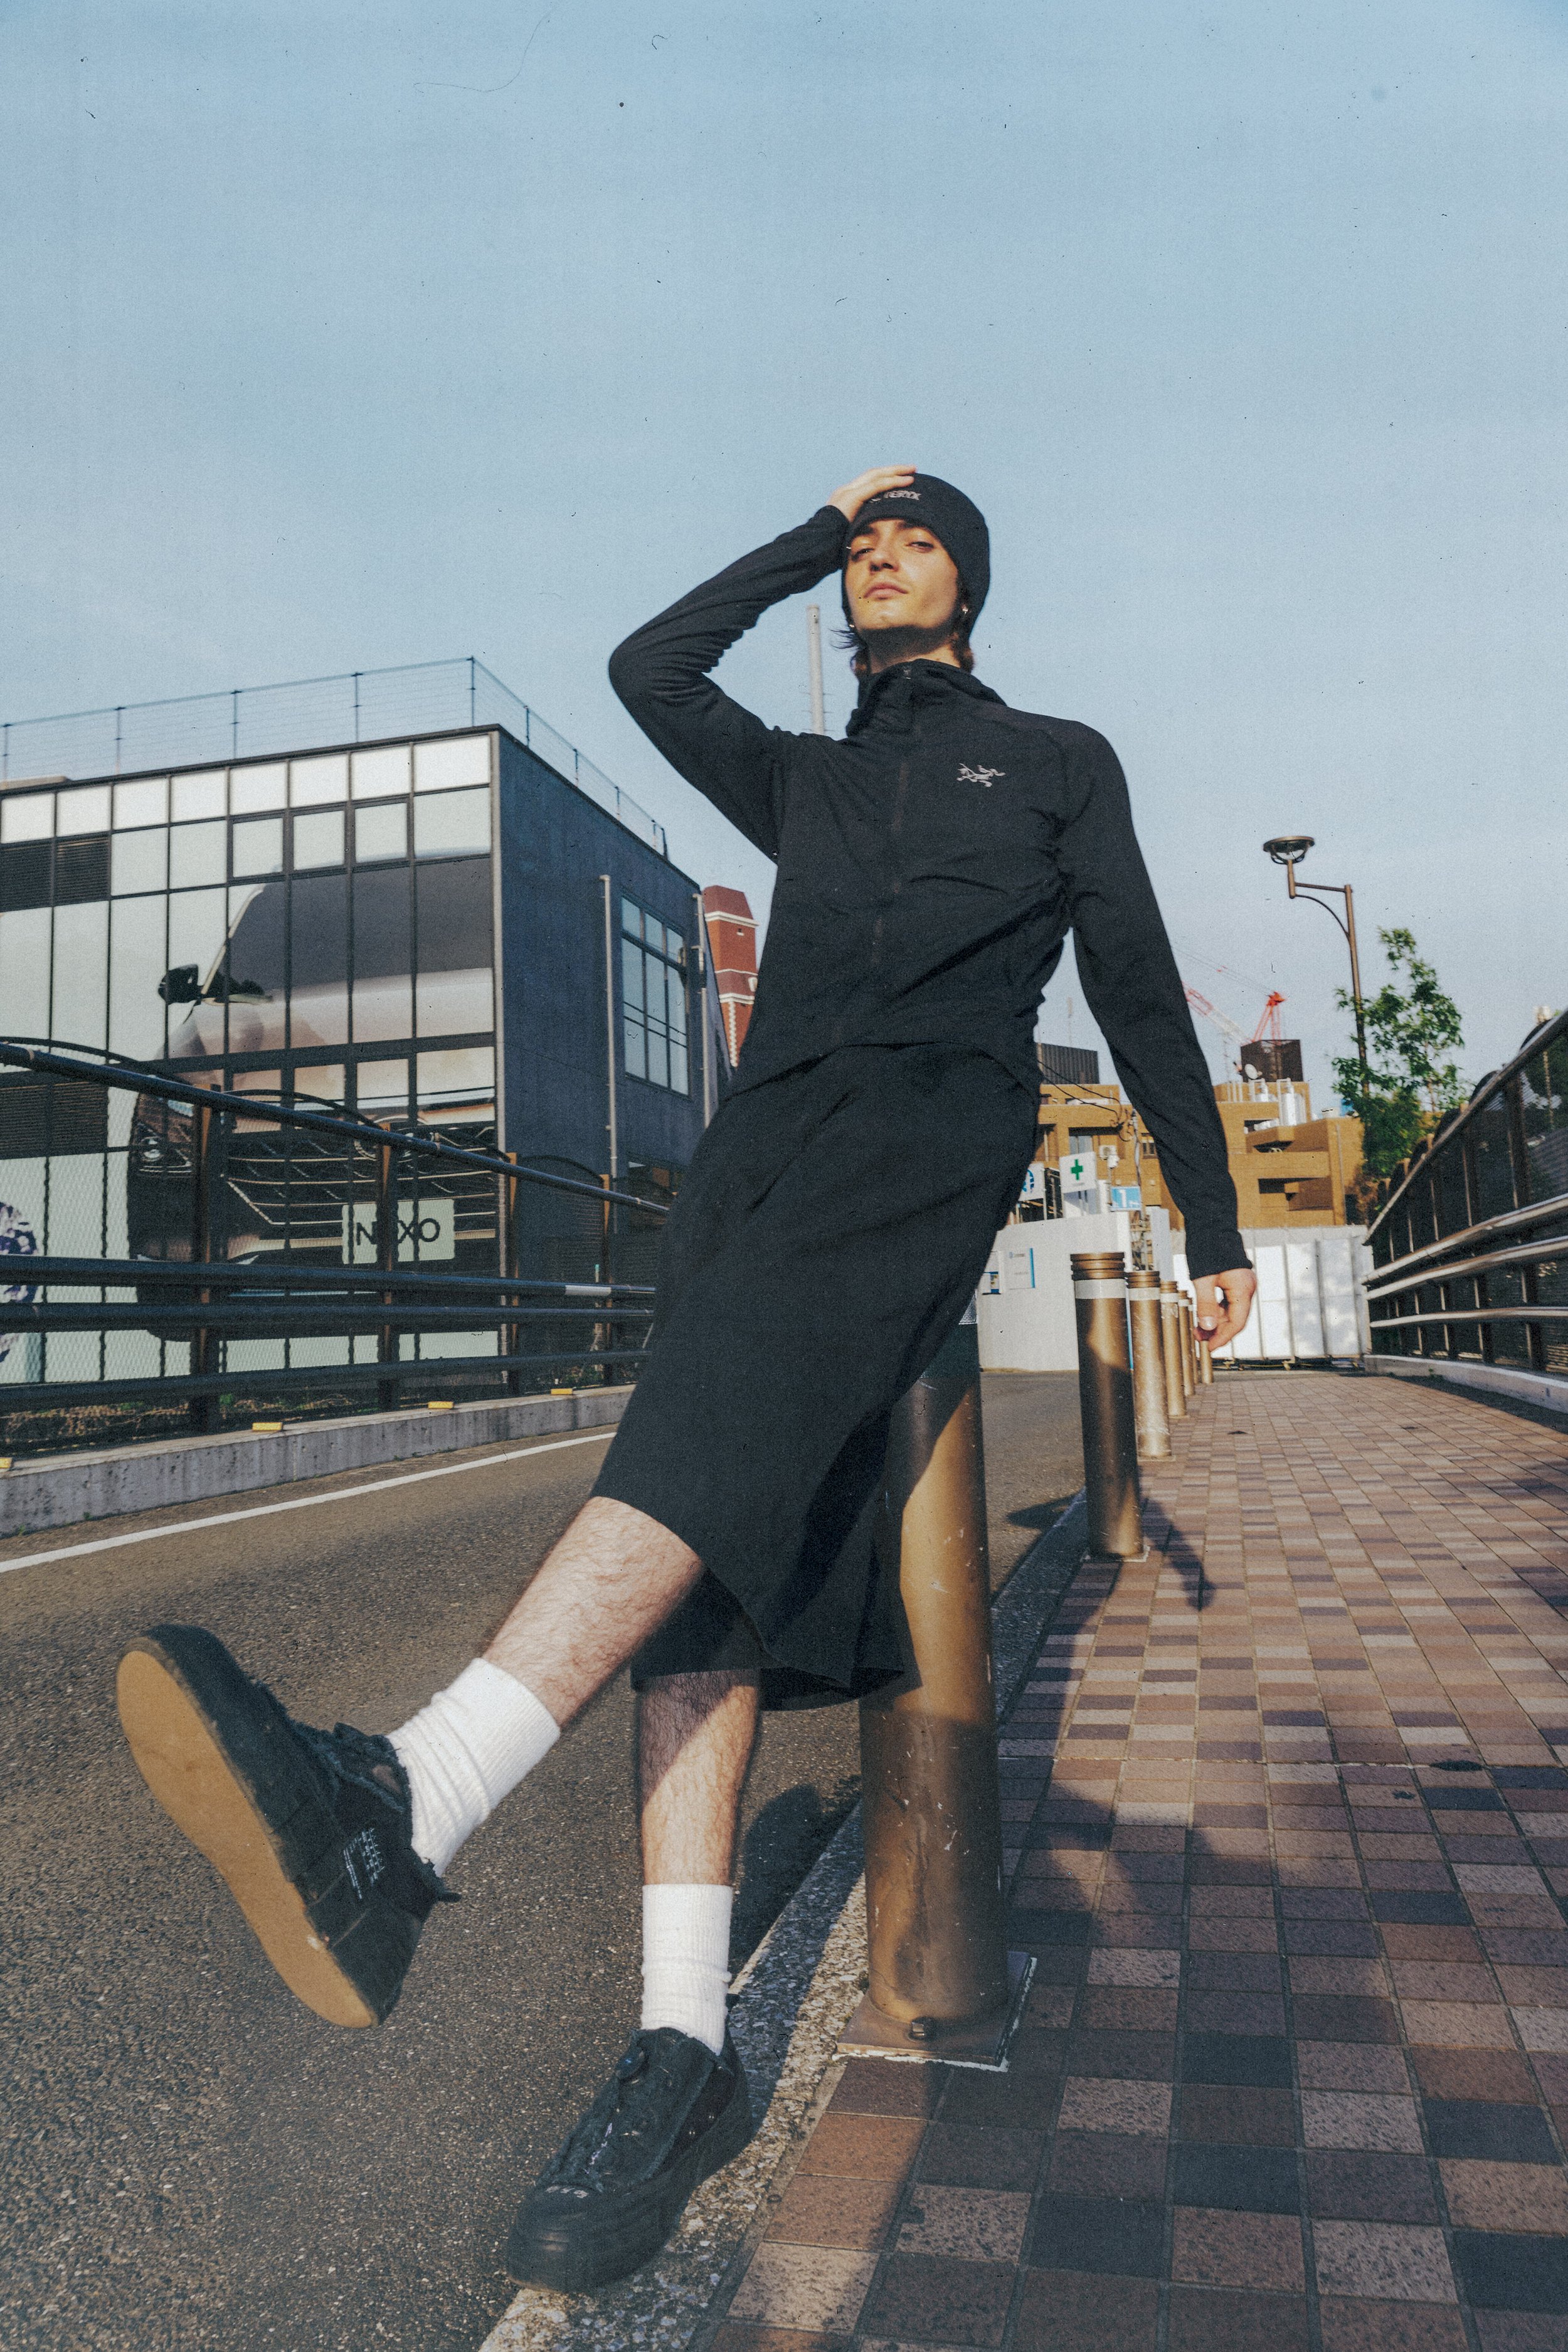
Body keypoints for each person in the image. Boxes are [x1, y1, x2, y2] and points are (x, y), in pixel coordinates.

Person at [117, 466, 1256, 2295]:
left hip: (919, 1136)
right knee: (703, 1576)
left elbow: (1132, 979)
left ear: (971, 583)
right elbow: (650, 667)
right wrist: (808, 531)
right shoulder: (807, 780)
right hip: (758, 1157)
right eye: (864, 547)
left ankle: (413, 1797)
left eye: (914, 539)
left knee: (697, 1471)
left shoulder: (1053, 761)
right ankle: (684, 2047)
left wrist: (1211, 1220)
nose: (881, 557)